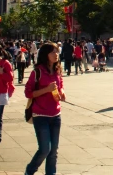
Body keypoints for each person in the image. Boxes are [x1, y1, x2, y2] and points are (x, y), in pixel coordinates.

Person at [25, 42, 66, 175]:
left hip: (55, 114)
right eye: (53, 52)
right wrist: (46, 90)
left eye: (57, 52)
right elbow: (28, 93)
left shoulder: (57, 70)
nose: (56, 55)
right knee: (45, 149)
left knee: (53, 150)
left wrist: (62, 92)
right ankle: (30, 170)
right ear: (45, 54)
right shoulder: (37, 71)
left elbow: (60, 86)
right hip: (40, 114)